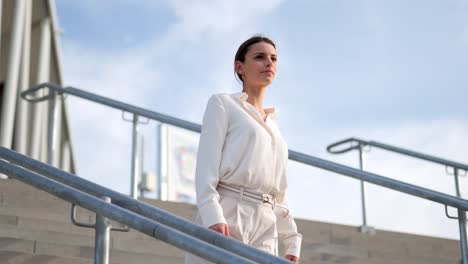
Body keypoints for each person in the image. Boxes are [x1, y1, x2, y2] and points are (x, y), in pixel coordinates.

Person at [185, 35, 302, 263]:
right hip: (228, 213)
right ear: (240, 67)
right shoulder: (223, 104)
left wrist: (292, 239)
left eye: (273, 58)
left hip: (266, 226)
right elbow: (205, 169)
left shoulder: (275, 130)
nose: (269, 63)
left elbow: (280, 192)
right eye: (260, 57)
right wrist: (212, 216)